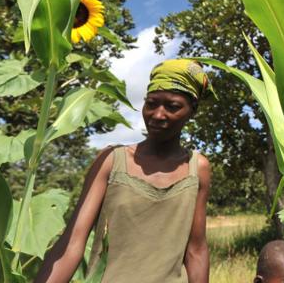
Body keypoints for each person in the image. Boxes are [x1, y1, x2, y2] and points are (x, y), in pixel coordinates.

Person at [35, 59, 212, 283]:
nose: (158, 115)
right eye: (151, 103)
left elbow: (196, 250)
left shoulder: (198, 169)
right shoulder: (111, 160)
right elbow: (72, 243)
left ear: (192, 111)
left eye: (173, 106)